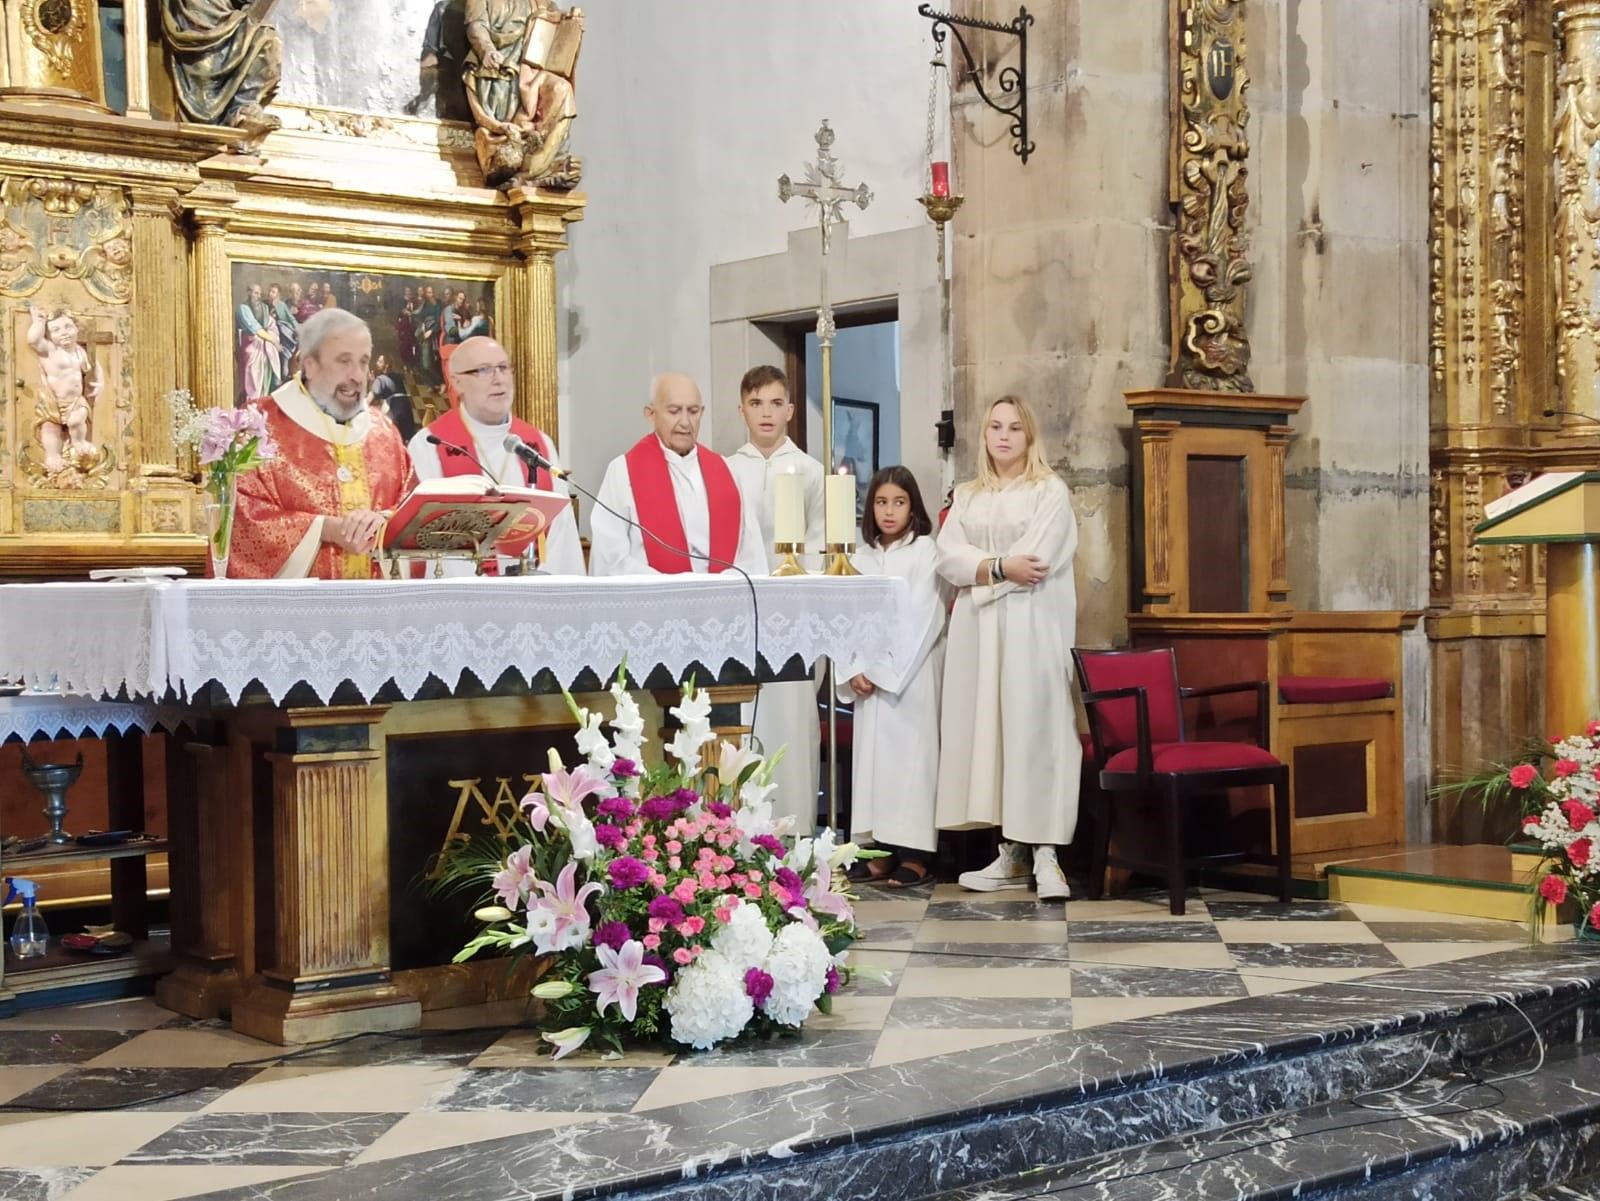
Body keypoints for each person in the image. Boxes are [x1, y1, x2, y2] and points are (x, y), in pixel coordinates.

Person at [935, 395, 1081, 902]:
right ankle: (1012, 853)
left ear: (1030, 436)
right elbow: (948, 558)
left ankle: (1047, 857)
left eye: (1015, 428)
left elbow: (1037, 562)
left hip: (1032, 629)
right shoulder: (968, 495)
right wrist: (997, 568)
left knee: (1035, 733)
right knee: (992, 737)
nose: (1003, 436)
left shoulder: (1049, 492)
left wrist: (982, 572)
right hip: (980, 634)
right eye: (995, 426)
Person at [232, 309, 415, 580]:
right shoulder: (260, 425)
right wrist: (325, 529)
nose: (357, 375)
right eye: (344, 361)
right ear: (310, 364)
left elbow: (411, 505)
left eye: (363, 362)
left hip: (379, 608)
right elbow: (240, 521)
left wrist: (385, 521)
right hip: (296, 614)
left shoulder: (383, 431)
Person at [725, 365, 825, 830]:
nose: (766, 412)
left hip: (791, 616)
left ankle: (797, 829)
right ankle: (742, 832)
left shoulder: (808, 471)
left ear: (789, 409)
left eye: (775, 402)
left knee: (790, 725)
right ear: (742, 409)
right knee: (743, 724)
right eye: (755, 402)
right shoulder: (726, 469)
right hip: (739, 617)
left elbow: (823, 542)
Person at [841, 467, 948, 888]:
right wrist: (853, 669)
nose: (889, 511)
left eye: (898, 502)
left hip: (911, 676)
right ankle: (877, 853)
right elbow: (842, 616)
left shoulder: (925, 552)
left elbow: (924, 616)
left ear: (913, 507)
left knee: (910, 763)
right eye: (881, 502)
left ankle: (917, 855)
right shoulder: (859, 555)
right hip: (866, 676)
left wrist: (884, 670)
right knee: (872, 767)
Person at [407, 335, 583, 576]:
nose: (498, 379)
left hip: (532, 600)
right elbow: (425, 539)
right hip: (462, 600)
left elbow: (562, 537)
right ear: (456, 382)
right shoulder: (429, 446)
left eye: (503, 368)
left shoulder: (538, 445)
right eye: (483, 370)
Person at [590, 373, 766, 578]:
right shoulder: (623, 473)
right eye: (674, 411)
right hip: (654, 602)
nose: (685, 422)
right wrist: (675, 589)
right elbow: (610, 558)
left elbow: (752, 557)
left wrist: (717, 587)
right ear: (651, 414)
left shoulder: (727, 471)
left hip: (720, 602)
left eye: (693, 411)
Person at [27, 306, 100, 475]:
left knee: (76, 421)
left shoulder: (79, 351)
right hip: (54, 400)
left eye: (68, 327)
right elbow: (33, 341)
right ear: (49, 335)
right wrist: (39, 322)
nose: (64, 332)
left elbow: (94, 368)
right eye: (56, 330)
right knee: (51, 427)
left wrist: (100, 383)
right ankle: (52, 456)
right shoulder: (50, 350)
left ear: (76, 328)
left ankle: (78, 442)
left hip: (75, 400)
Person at [235, 283, 281, 400]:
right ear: (249, 293)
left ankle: (262, 400)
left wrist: (272, 334)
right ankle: (253, 402)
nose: (258, 296)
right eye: (256, 293)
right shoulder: (243, 308)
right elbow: (254, 327)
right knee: (253, 375)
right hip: (250, 346)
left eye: (260, 294)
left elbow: (270, 323)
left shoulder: (263, 308)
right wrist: (274, 341)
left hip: (264, 348)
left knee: (266, 376)